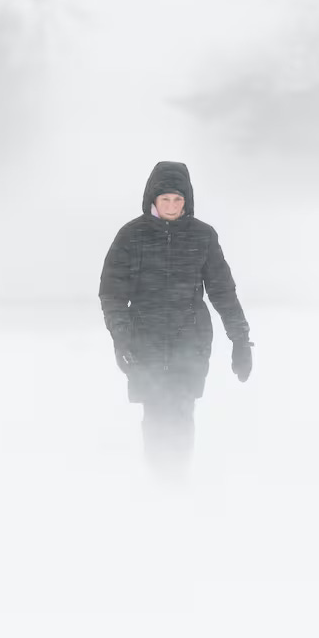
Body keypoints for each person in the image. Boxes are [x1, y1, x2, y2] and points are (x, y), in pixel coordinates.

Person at [98, 161, 253, 477]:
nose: (171, 206)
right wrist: (122, 337)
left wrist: (240, 339)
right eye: (165, 199)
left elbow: (223, 291)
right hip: (144, 342)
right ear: (152, 200)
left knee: (182, 412)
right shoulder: (131, 236)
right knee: (155, 413)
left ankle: (177, 485)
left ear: (187, 200)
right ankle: (159, 484)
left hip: (190, 341)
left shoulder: (203, 237)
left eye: (178, 200)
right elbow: (112, 294)